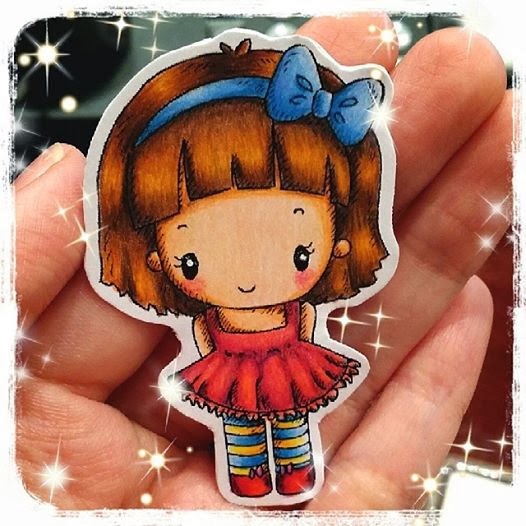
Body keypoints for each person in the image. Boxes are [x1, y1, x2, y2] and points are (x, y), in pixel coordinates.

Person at [15, 13, 511, 510]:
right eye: (192, 260)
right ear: (154, 257)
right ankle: (249, 475)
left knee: (292, 422)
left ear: (341, 238)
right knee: (241, 429)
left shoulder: (302, 309)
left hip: (291, 364)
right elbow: (207, 334)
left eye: (299, 253)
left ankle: (294, 470)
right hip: (229, 373)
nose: (249, 279)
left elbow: (306, 322)